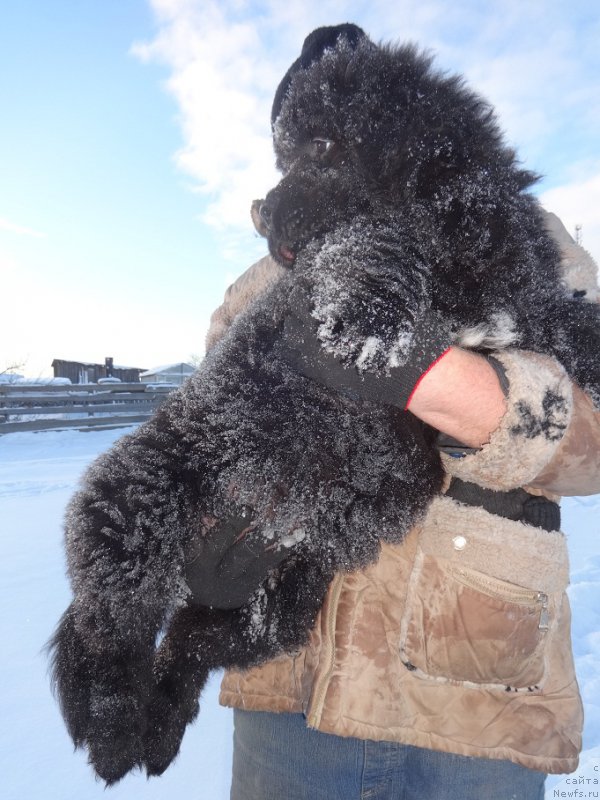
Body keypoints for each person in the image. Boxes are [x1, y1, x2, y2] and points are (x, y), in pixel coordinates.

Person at [200, 37, 600, 800]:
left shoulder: (519, 231)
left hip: (478, 688)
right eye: (303, 142)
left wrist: (453, 387)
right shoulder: (261, 278)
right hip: (290, 686)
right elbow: (208, 432)